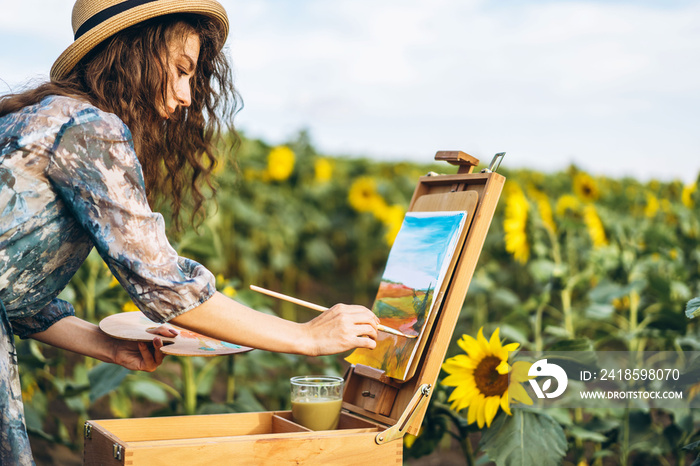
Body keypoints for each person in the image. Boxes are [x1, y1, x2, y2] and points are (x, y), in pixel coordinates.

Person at [0, 0, 379, 464]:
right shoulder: (88, 127)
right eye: (181, 70)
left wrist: (106, 346)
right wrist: (308, 337)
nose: (185, 96)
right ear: (134, 51)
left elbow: (15, 299)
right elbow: (164, 285)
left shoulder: (37, 116)